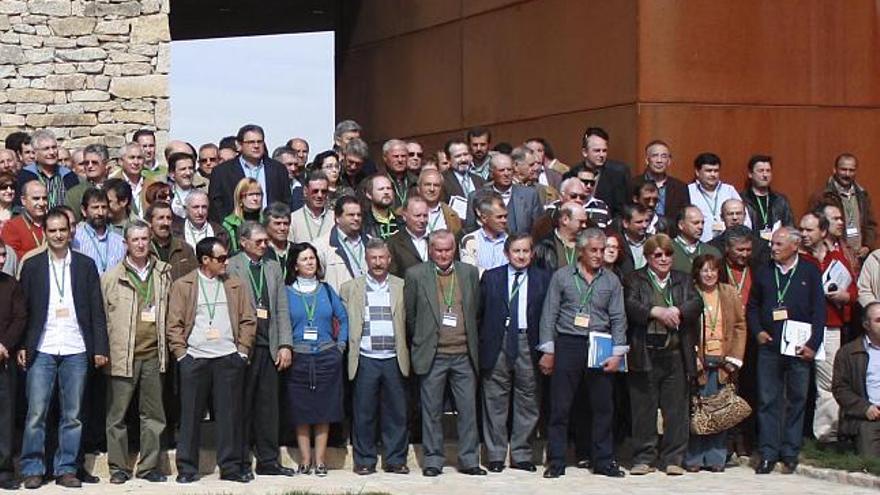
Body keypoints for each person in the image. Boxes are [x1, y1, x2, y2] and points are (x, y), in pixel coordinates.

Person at [18, 207, 108, 489]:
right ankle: (33, 468)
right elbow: (24, 311)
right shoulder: (32, 266)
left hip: (76, 347)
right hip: (42, 346)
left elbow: (96, 309)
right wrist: (22, 344)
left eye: (62, 230)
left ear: (71, 232)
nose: (58, 235)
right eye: (52, 230)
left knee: (73, 414)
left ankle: (66, 468)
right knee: (36, 413)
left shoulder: (85, 265)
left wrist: (99, 347)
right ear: (45, 233)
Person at [166, 237, 256, 484]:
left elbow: (248, 320)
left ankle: (231, 466)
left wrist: (242, 352)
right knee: (190, 416)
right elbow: (174, 324)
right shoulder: (183, 285)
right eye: (221, 258)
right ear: (205, 260)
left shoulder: (235, 284)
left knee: (229, 416)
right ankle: (187, 467)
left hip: (227, 358)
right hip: (195, 358)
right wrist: (182, 355)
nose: (226, 262)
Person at [538, 229, 626, 478]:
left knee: (602, 406)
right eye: (593, 250)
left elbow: (619, 318)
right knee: (561, 406)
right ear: (581, 250)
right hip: (568, 343)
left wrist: (618, 353)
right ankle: (556, 461)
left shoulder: (611, 280)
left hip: (600, 343)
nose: (599, 255)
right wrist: (548, 349)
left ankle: (603, 460)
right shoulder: (562, 277)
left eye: (601, 250)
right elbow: (549, 313)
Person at [404, 229, 485, 477]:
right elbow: (411, 315)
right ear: (430, 250)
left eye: (448, 249)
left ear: (455, 249)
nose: (443, 254)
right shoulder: (415, 274)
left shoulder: (469, 273)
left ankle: (470, 459)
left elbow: (476, 311)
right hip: (433, 353)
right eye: (438, 250)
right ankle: (433, 460)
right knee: (431, 410)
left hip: (463, 353)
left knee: (468, 410)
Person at [747, 227, 825, 474]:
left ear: (794, 245)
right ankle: (768, 452)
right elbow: (752, 306)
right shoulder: (764, 272)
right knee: (768, 400)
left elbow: (819, 311)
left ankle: (790, 452)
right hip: (769, 346)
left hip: (799, 348)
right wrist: (758, 331)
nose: (774, 247)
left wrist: (813, 344)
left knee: (797, 400)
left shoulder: (810, 271)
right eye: (773, 243)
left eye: (779, 244)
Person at [101, 219, 172, 484]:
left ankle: (148, 467)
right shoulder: (110, 278)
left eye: (145, 239)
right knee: (117, 416)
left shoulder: (164, 273)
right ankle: (118, 467)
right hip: (122, 355)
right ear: (125, 243)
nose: (141, 244)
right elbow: (101, 319)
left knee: (154, 415)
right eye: (135, 240)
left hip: (154, 354)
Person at [624, 233, 701, 475]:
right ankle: (644, 457)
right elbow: (629, 305)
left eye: (668, 254)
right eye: (658, 255)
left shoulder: (683, 279)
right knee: (643, 407)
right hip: (645, 351)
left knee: (676, 407)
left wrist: (677, 309)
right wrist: (655, 311)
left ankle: (673, 458)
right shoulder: (634, 279)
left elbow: (696, 303)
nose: (664, 259)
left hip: (675, 352)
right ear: (647, 257)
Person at [476, 234, 550, 474]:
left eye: (526, 251)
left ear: (532, 253)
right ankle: (496, 454)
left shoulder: (542, 278)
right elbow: (480, 312)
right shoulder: (492, 277)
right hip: (499, 340)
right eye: (516, 251)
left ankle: (521, 454)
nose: (521, 256)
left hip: (528, 340)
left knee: (528, 399)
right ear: (507, 253)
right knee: (495, 399)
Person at [227, 222, 294, 479]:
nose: (264, 245)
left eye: (266, 241)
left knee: (268, 407)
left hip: (269, 345)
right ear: (243, 242)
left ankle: (269, 460)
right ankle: (241, 461)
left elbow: (281, 307)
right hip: (242, 345)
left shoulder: (273, 266)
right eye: (259, 242)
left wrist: (286, 344)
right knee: (241, 405)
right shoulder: (232, 265)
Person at [340, 239, 411, 475]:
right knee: (364, 413)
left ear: (389, 260)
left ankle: (395, 460)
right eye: (374, 258)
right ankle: (364, 461)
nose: (378, 263)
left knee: (396, 412)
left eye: (382, 258)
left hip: (394, 357)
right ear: (366, 260)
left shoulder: (403, 286)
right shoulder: (351, 288)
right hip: (365, 357)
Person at [285, 242, 348, 477]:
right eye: (304, 259)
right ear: (295, 265)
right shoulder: (287, 292)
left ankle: (320, 461)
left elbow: (343, 319)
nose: (310, 263)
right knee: (301, 410)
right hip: (298, 357)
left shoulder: (327, 290)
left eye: (312, 258)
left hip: (326, 356)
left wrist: (340, 346)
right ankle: (305, 459)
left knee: (324, 409)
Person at [684, 254, 747, 472]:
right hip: (699, 358)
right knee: (698, 408)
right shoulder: (690, 292)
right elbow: (685, 327)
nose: (709, 274)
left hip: (723, 358)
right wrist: (693, 357)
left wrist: (735, 358)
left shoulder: (729, 293)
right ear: (697, 272)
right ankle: (694, 457)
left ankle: (716, 457)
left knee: (720, 408)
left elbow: (740, 325)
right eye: (704, 270)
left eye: (713, 270)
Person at [799, 212, 857, 443]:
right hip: (801, 327)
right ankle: (793, 434)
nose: (804, 234)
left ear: (823, 232)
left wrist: (845, 296)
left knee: (827, 383)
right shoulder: (797, 258)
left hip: (831, 326)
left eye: (809, 230)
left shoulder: (837, 257)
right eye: (801, 229)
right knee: (797, 381)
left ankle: (826, 435)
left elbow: (853, 290)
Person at [208, 124, 291, 223]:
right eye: (251, 142)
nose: (256, 146)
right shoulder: (221, 172)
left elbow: (286, 201)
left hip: (270, 230)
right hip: (236, 231)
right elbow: (216, 206)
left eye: (259, 142)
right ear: (239, 145)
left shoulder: (278, 169)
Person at [832, 301, 880, 457]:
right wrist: (865, 408)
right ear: (866, 325)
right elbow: (840, 389)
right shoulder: (848, 353)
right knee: (870, 459)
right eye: (878, 320)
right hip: (868, 417)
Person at [813, 153, 876, 259]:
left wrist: (868, 246)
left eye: (851, 170)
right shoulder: (823, 196)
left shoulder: (862, 195)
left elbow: (870, 224)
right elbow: (816, 227)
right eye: (843, 169)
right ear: (834, 170)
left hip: (860, 257)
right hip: (835, 256)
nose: (847, 174)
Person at [0, 240, 26, 490]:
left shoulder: (11, 285)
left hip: (4, 360)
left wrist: (5, 345)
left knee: (5, 418)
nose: (0, 260)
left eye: (1, 255)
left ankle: (4, 470)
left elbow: (20, 317)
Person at [464, 153, 542, 235]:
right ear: (491, 172)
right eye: (501, 170)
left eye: (509, 170)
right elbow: (470, 229)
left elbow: (538, 229)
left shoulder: (530, 195)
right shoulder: (476, 197)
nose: (506, 174)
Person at [564, 127, 631, 218]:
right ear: (584, 152)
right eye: (597, 151)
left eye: (604, 151)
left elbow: (623, 209)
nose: (601, 155)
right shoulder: (572, 174)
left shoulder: (619, 173)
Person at [687, 152, 750, 242]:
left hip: (728, 244)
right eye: (708, 171)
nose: (713, 174)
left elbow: (745, 218)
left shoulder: (728, 190)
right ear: (697, 172)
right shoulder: (688, 191)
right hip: (700, 245)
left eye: (716, 171)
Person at [311, 195, 370, 292]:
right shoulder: (321, 246)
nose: (356, 218)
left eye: (359, 215)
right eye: (351, 215)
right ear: (337, 218)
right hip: (339, 304)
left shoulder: (371, 242)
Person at [16, 130, 79, 209]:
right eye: (46, 149)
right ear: (35, 153)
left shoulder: (69, 176)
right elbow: (19, 206)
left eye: (54, 147)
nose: (52, 152)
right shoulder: (25, 176)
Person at [632, 140, 689, 226]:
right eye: (655, 156)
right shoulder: (633, 184)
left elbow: (684, 217)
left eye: (664, 156)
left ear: (669, 161)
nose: (659, 160)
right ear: (647, 160)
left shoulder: (680, 187)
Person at [73, 188, 126, 275]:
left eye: (104, 207)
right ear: (84, 210)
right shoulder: (75, 238)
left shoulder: (119, 241)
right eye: (95, 207)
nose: (100, 212)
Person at [741, 155, 795, 242]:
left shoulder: (780, 200)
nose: (765, 175)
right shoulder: (742, 200)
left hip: (776, 248)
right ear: (750, 174)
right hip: (751, 248)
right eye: (761, 171)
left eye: (768, 171)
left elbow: (790, 228)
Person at [460, 191, 509, 274]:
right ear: (484, 218)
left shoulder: (510, 240)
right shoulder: (470, 241)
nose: (504, 220)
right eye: (499, 217)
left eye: (505, 216)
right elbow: (470, 272)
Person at [147, 201, 197, 281]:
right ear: (150, 222)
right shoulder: (144, 249)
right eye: (161, 218)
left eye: (169, 218)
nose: (166, 223)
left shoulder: (185, 249)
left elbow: (195, 279)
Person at [533, 201, 588, 272]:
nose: (584, 226)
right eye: (581, 222)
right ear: (565, 220)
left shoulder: (586, 244)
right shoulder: (545, 246)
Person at [63, 143, 111, 221]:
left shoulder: (116, 188)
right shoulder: (74, 194)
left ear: (105, 163)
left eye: (94, 162)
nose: (89, 166)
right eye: (86, 163)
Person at [387, 195, 430, 278]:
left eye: (425, 216)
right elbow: (392, 277)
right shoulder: (393, 243)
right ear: (404, 216)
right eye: (417, 216)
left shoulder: (435, 240)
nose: (422, 220)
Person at [2, 180, 46, 258]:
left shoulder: (54, 223)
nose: (42, 203)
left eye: (44, 198)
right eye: (36, 198)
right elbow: (11, 258)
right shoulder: (12, 227)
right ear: (23, 200)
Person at [672, 205, 722, 273]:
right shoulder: (668, 250)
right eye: (695, 223)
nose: (700, 227)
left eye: (702, 223)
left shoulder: (711, 252)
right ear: (681, 225)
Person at [290, 171, 336, 244]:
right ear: (305, 191)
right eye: (315, 191)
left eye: (323, 191)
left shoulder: (335, 218)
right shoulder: (293, 220)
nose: (320, 195)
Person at [222, 178, 264, 253]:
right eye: (250, 194)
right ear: (240, 198)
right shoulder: (230, 224)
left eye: (258, 194)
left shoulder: (266, 221)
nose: (255, 198)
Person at [418, 168, 463, 237]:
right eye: (427, 184)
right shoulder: (404, 213)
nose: (432, 189)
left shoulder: (453, 216)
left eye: (436, 185)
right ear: (419, 188)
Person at [109, 142, 148, 218]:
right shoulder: (111, 185)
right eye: (132, 158)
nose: (136, 162)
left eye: (139, 158)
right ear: (121, 161)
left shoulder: (151, 184)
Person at [442, 139, 484, 203]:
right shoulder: (442, 180)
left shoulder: (479, 180)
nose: (463, 159)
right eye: (458, 156)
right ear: (448, 159)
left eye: (466, 154)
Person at [362, 174, 402, 240]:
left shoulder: (402, 222)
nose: (386, 192)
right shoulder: (363, 224)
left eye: (388, 188)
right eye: (381, 189)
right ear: (369, 194)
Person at [617, 204, 651, 276]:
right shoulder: (617, 243)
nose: (644, 225)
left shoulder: (653, 242)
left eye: (647, 221)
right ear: (626, 223)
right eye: (639, 222)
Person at [382, 139, 417, 209]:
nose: (400, 160)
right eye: (396, 156)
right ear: (385, 158)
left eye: (403, 156)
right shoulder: (373, 183)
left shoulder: (417, 182)